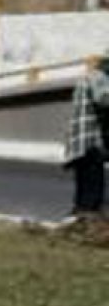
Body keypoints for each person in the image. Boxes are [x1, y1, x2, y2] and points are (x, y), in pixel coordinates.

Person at [64, 55, 109, 218]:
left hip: (82, 139)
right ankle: (88, 217)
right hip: (89, 139)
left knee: (84, 181)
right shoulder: (99, 77)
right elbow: (103, 98)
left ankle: (79, 215)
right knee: (94, 182)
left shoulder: (91, 76)